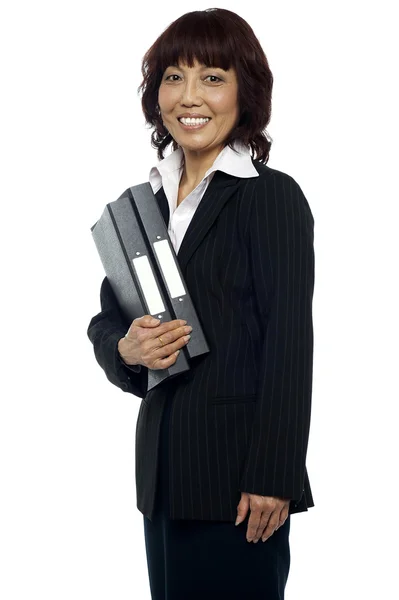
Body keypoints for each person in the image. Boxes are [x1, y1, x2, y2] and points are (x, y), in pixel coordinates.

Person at [87, 8, 315, 600]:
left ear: (246, 91)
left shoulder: (270, 197)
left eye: (213, 77)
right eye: (173, 76)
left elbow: (290, 341)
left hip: (240, 482)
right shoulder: (145, 203)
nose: (190, 96)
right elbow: (106, 316)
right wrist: (124, 348)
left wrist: (275, 476)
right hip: (163, 474)